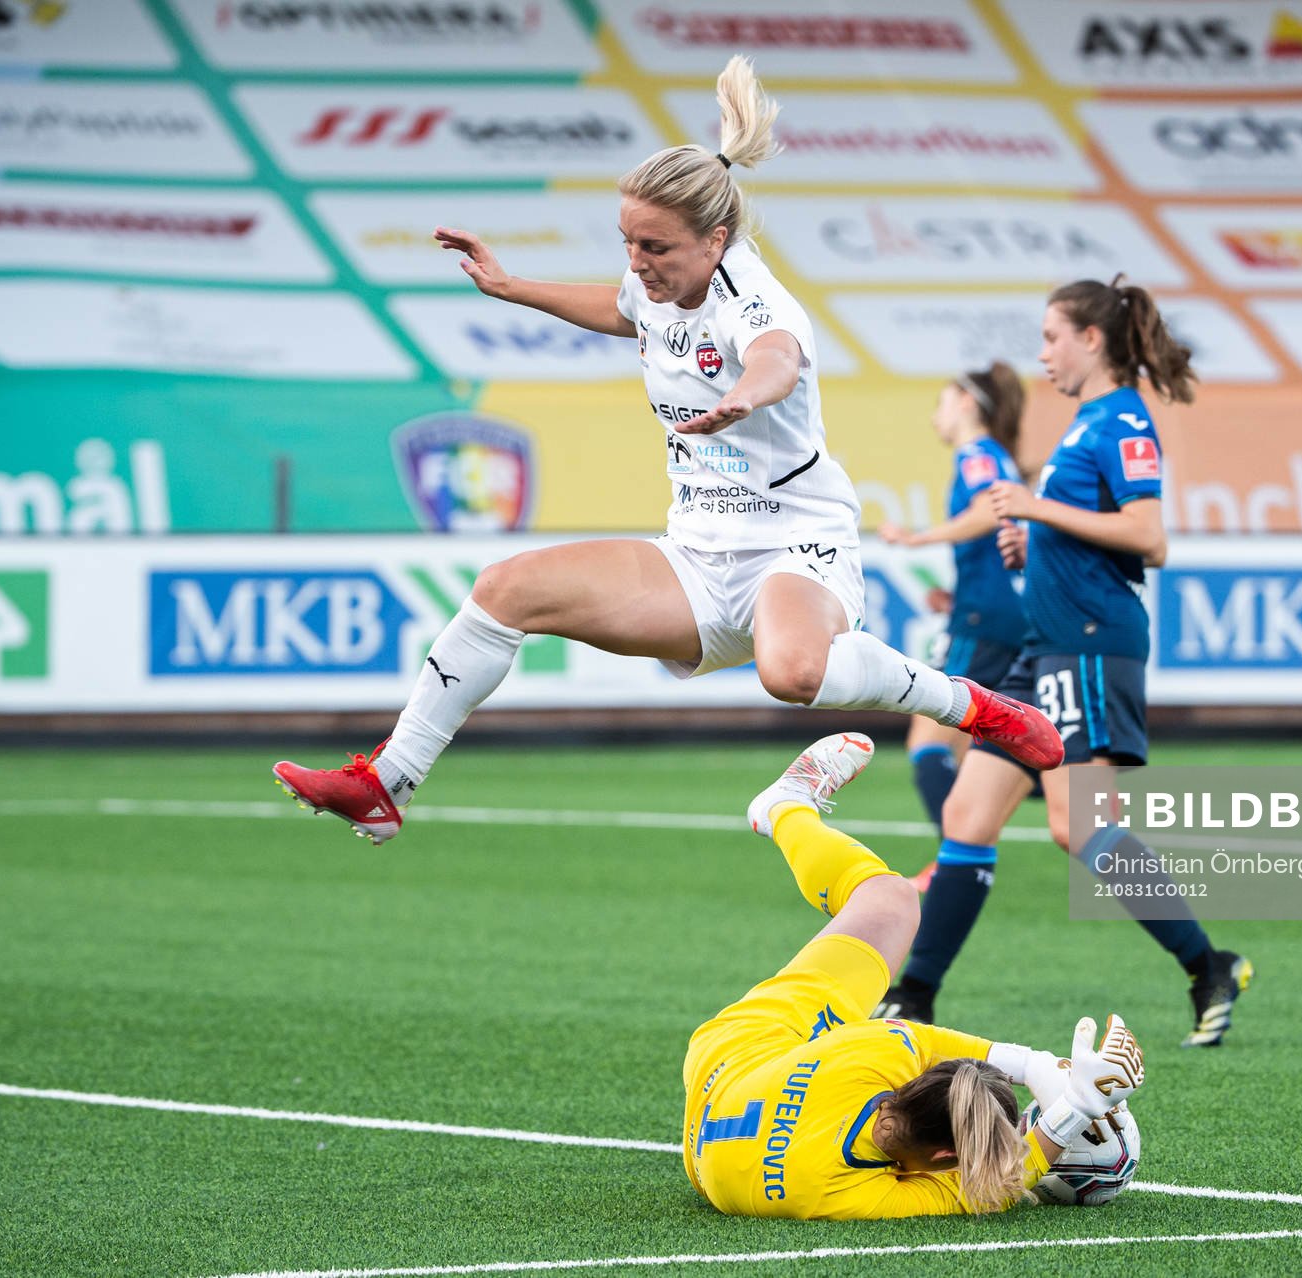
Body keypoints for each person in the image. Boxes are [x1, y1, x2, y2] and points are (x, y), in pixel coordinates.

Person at [271, 58, 1061, 843]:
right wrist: (513, 287)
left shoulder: (754, 299)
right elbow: (622, 309)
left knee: (792, 674)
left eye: (656, 247)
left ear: (717, 238)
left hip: (794, 541)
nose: (637, 264)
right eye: (628, 243)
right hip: (695, 551)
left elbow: (777, 355)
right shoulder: (654, 283)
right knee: (504, 588)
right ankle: (386, 782)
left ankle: (976, 707)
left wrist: (747, 394)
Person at [874, 278, 1251, 1049]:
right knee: (966, 816)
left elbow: (1150, 536)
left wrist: (1038, 511)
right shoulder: (1085, 426)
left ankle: (1208, 963)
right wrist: (1031, 541)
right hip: (1041, 644)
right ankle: (913, 996)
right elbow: (1083, 528)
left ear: (1092, 340)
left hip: (1085, 640)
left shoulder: (1123, 420)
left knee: (1080, 827)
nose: (1042, 352)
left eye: (1051, 336)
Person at [685, 732, 1145, 1219]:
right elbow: (989, 1192)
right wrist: (1065, 1097)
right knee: (895, 903)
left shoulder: (874, 1052)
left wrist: (1047, 1077)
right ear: (946, 1159)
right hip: (710, 1107)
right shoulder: (834, 1192)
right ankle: (783, 803)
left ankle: (786, 810)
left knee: (892, 899)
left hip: (741, 1045)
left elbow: (923, 1046)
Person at [877, 362, 1029, 850]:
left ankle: (955, 862)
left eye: (940, 403)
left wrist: (918, 539)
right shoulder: (996, 456)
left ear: (967, 402)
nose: (934, 417)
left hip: (983, 619)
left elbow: (990, 511)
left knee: (927, 746)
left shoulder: (977, 456)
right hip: (996, 612)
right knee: (969, 749)